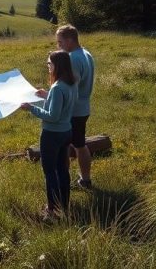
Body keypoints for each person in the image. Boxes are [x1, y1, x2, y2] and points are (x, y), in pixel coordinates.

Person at [20, 50, 77, 218]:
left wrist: (31, 108)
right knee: (62, 169)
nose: (48, 66)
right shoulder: (71, 83)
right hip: (67, 132)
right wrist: (47, 96)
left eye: (49, 64)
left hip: (52, 135)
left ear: (57, 66)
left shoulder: (58, 87)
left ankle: (52, 210)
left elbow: (53, 116)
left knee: (50, 172)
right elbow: (61, 105)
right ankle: (64, 204)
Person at [56, 24, 95, 189]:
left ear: (70, 40)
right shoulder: (86, 54)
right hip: (83, 108)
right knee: (80, 144)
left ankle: (62, 182)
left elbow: (68, 88)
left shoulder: (73, 59)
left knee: (62, 146)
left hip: (72, 111)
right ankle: (85, 180)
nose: (59, 46)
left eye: (60, 42)